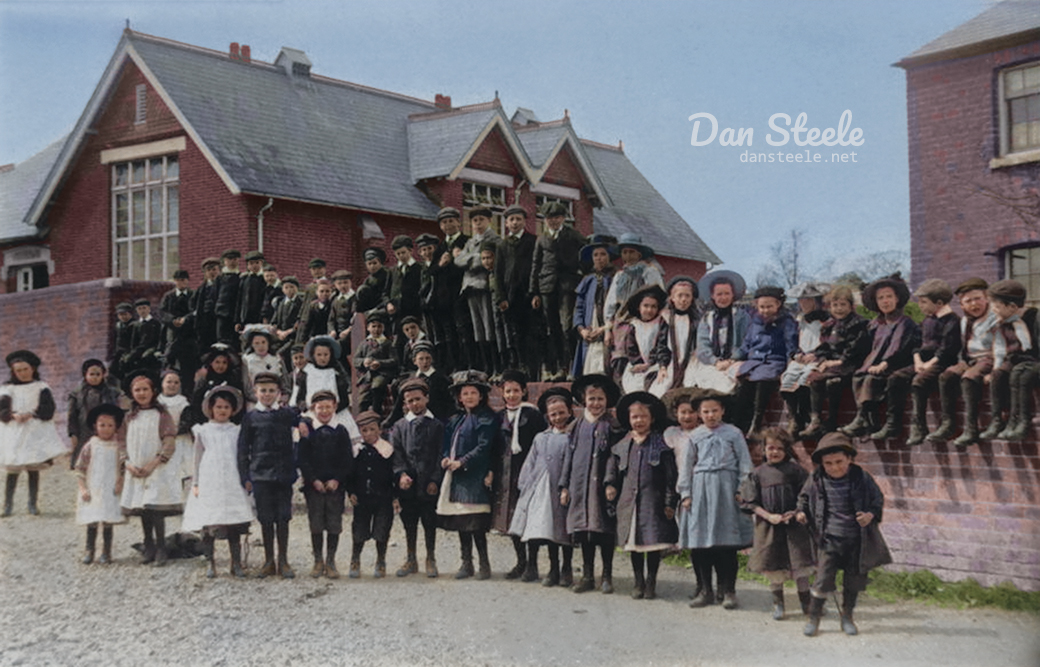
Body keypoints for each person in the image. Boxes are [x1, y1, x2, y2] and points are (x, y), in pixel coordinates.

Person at [796, 432, 891, 637]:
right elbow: (803, 498)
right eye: (828, 463)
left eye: (839, 461)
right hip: (829, 539)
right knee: (822, 580)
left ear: (849, 458)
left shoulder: (861, 477)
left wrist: (870, 515)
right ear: (822, 463)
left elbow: (877, 500)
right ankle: (814, 618)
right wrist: (801, 512)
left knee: (853, 581)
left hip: (857, 540)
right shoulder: (817, 478)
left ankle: (847, 617)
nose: (834, 467)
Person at [678, 393, 753, 609]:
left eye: (714, 411)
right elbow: (686, 467)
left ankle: (728, 590)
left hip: (726, 490)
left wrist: (742, 489)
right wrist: (686, 494)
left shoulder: (734, 433)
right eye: (705, 412)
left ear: (722, 411)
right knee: (700, 544)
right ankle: (705, 590)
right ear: (699, 414)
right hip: (700, 490)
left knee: (726, 543)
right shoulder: (695, 436)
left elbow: (745, 464)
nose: (710, 415)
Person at [605, 391, 679, 600]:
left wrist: (669, 502)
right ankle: (638, 581)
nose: (639, 421)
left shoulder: (660, 445)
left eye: (643, 416)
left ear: (652, 418)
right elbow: (612, 467)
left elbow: (670, 477)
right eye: (635, 417)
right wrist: (610, 484)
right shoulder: (622, 445)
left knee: (651, 543)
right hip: (629, 502)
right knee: (634, 545)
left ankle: (651, 581)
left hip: (652, 502)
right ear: (629, 420)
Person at [738, 427, 814, 620]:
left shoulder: (796, 471)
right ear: (763, 449)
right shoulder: (757, 474)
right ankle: (778, 604)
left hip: (794, 527)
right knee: (773, 566)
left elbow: (805, 495)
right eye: (771, 448)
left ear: (787, 450)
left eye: (780, 448)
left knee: (799, 566)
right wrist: (768, 515)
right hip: (768, 527)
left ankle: (807, 603)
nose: (775, 452)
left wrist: (798, 512)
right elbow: (751, 502)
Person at [559, 373, 624, 593]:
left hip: (601, 487)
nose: (596, 404)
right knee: (584, 531)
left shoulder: (611, 425)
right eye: (592, 399)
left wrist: (610, 483)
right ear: (583, 399)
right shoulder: (576, 425)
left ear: (607, 401)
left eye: (600, 399)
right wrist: (565, 485)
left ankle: (606, 575)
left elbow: (615, 456)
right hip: (579, 485)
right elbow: (569, 455)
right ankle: (587, 575)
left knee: (603, 529)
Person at [181, 386, 254, 578]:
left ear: (232, 410)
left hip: (231, 479)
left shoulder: (236, 431)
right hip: (210, 479)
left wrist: (246, 479)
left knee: (233, 523)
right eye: (219, 407)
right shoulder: (203, 431)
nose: (222, 410)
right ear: (211, 409)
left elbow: (243, 456)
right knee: (209, 521)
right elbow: (197, 458)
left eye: (226, 407)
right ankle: (210, 562)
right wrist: (196, 483)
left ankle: (235, 563)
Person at [509, 386, 576, 587]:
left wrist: (568, 487)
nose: (558, 417)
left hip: (560, 488)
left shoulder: (572, 437)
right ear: (547, 416)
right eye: (553, 414)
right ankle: (547, 567)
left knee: (561, 530)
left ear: (570, 412)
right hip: (538, 488)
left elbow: (574, 464)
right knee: (541, 528)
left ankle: (566, 569)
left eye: (562, 413)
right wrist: (524, 483)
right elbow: (530, 461)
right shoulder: (541, 437)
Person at [437, 370, 500, 580]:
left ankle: (484, 563)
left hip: (475, 475)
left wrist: (462, 462)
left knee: (476, 523)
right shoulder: (456, 420)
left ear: (481, 396)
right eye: (465, 393)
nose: (469, 397)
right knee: (461, 521)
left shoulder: (486, 419)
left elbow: (483, 447)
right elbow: (447, 444)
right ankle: (466, 563)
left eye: (473, 393)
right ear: (459, 397)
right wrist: (446, 458)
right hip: (457, 477)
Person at [841, 274, 921, 440]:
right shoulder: (875, 323)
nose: (885, 301)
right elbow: (863, 346)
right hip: (875, 364)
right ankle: (867, 421)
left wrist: (885, 363)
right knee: (858, 376)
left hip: (897, 363)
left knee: (871, 380)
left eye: (889, 297)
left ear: (897, 299)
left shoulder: (904, 322)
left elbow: (898, 346)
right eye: (881, 298)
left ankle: (863, 418)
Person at [237, 372, 301, 578]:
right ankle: (268, 561)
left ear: (279, 393)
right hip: (260, 475)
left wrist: (303, 425)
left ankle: (283, 560)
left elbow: (303, 425)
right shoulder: (250, 418)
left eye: (271, 391)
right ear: (255, 393)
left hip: (283, 474)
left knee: (283, 517)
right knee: (266, 518)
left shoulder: (286, 414)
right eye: (263, 391)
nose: (267, 394)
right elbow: (242, 449)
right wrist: (245, 477)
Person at [119, 371, 181, 565]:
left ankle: (161, 547)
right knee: (143, 508)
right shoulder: (129, 417)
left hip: (155, 468)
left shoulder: (161, 414)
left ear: (153, 391)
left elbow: (169, 441)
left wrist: (155, 463)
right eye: (137, 390)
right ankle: (149, 545)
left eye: (145, 389)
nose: (141, 393)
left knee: (155, 508)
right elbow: (121, 442)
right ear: (132, 393)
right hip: (135, 468)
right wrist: (127, 463)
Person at [493, 370, 547, 580]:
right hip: (506, 473)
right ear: (503, 393)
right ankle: (520, 561)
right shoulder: (499, 417)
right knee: (512, 519)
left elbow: (540, 444)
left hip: (527, 471)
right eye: (508, 391)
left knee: (528, 517)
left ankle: (532, 564)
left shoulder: (532, 415)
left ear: (524, 391)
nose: (512, 395)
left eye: (516, 390)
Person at [1, 350, 68, 516]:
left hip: (33, 430)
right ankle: (7, 505)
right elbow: (1, 409)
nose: (22, 373)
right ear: (13, 372)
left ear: (32, 368)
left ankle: (32, 503)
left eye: (25, 369)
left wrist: (32, 414)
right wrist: (12, 415)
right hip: (14, 430)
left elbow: (48, 409)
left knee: (33, 466)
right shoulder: (8, 389)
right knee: (13, 467)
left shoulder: (41, 387)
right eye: (18, 371)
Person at [725, 285, 798, 436]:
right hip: (755, 361)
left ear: (778, 304)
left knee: (762, 379)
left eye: (769, 306)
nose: (765, 310)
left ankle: (756, 423)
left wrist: (791, 362)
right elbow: (746, 344)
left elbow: (791, 343)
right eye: (762, 307)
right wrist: (734, 358)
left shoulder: (786, 321)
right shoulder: (755, 322)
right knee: (743, 380)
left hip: (774, 359)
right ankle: (738, 422)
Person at [390, 378, 445, 577]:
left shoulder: (437, 425)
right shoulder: (399, 426)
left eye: (418, 399)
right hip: (408, 486)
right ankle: (411, 558)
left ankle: (430, 558)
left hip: (429, 483)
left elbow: (441, 453)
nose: (415, 404)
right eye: (410, 401)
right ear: (405, 404)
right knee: (409, 522)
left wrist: (435, 480)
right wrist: (402, 474)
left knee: (429, 522)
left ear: (427, 399)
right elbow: (397, 454)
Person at [800, 285, 870, 439]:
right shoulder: (830, 325)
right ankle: (816, 420)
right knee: (814, 378)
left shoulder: (858, 325)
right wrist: (821, 358)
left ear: (851, 306)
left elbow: (855, 350)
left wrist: (835, 362)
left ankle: (832, 420)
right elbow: (824, 347)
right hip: (833, 365)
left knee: (833, 382)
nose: (839, 309)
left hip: (851, 365)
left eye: (843, 305)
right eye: (835, 305)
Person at [297, 390, 354, 579]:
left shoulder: (340, 430)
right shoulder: (308, 431)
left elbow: (347, 459)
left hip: (334, 487)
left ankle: (331, 561)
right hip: (314, 487)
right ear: (313, 408)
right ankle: (317, 561)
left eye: (328, 407)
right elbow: (302, 458)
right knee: (316, 523)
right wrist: (313, 480)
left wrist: (337, 479)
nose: (324, 411)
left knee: (333, 523)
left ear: (334, 408)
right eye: (320, 407)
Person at [935, 278, 998, 447]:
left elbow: (1000, 349)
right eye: (968, 301)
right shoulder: (965, 321)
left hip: (989, 358)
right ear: (962, 306)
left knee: (969, 378)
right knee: (946, 376)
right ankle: (948, 424)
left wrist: (994, 371)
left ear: (987, 299)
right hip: (970, 359)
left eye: (978, 299)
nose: (974, 304)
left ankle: (971, 428)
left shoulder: (995, 318)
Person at [899, 279, 961, 445]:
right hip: (924, 363)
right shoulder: (927, 320)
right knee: (896, 377)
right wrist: (918, 360)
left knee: (919, 381)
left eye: (924, 302)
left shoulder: (952, 321)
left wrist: (928, 364)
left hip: (941, 363)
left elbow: (947, 350)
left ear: (939, 303)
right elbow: (918, 345)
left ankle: (920, 425)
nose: (920, 305)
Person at [530, 202, 586, 381]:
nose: (552, 221)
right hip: (547, 287)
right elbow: (535, 265)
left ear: (563, 218)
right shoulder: (542, 238)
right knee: (552, 328)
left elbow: (586, 257)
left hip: (567, 286)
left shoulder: (573, 236)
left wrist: (580, 276)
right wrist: (534, 292)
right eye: (549, 218)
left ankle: (572, 366)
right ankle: (559, 368)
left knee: (567, 326)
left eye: (556, 217)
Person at [981, 279, 1038, 441]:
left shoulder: (1034, 318)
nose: (993, 309)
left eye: (997, 306)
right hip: (1017, 361)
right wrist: (995, 370)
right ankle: (998, 420)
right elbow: (999, 349)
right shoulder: (1002, 323)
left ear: (1013, 307)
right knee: (999, 375)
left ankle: (1021, 422)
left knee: (1019, 374)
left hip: (1034, 362)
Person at [75, 404, 127, 564]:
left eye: (110, 425)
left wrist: (120, 483)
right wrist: (83, 488)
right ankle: (89, 550)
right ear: (95, 426)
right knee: (92, 519)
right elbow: (80, 468)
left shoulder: (119, 446)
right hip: (93, 486)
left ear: (116, 427)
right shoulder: (91, 445)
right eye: (102, 425)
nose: (106, 429)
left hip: (110, 488)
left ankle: (106, 551)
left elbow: (124, 468)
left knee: (107, 520)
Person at [349, 410, 396, 578]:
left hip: (383, 497)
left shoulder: (387, 450)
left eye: (372, 430)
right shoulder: (357, 450)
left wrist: (395, 496)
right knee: (359, 529)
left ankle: (381, 560)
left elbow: (393, 474)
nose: (368, 434)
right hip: (362, 498)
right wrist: (351, 492)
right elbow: (350, 474)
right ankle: (355, 559)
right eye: (364, 430)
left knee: (382, 529)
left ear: (379, 430)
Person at [778, 282, 830, 435]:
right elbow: (793, 340)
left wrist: (817, 354)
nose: (804, 304)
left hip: (817, 358)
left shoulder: (826, 320)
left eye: (808, 300)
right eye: (801, 300)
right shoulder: (799, 320)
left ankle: (810, 417)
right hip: (801, 357)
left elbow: (829, 342)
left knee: (807, 378)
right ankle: (794, 418)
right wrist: (796, 353)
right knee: (788, 377)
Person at [455, 207, 500, 374]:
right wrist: (475, 257)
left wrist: (470, 259)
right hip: (469, 288)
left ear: (489, 221)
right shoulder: (471, 242)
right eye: (475, 221)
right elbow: (458, 261)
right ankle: (485, 367)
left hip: (485, 286)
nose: (478, 224)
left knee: (489, 327)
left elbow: (488, 261)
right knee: (478, 329)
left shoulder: (494, 239)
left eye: (481, 220)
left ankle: (495, 367)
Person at [689, 270, 750, 394]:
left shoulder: (742, 317)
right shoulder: (707, 318)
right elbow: (702, 346)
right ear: (713, 296)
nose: (723, 298)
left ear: (733, 295)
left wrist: (731, 360)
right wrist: (715, 362)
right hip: (711, 362)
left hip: (734, 361)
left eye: (727, 293)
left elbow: (747, 343)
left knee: (729, 384)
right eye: (719, 294)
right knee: (704, 382)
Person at [495, 205, 538, 377]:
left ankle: (532, 368)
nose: (515, 223)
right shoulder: (502, 245)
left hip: (527, 294)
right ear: (506, 223)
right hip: (510, 296)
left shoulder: (533, 241)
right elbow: (497, 273)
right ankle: (518, 366)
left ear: (524, 221)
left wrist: (535, 293)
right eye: (511, 219)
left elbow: (536, 268)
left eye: (518, 219)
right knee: (514, 334)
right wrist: (501, 297)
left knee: (531, 333)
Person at [428, 207, 471, 372]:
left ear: (458, 222)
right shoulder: (440, 246)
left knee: (465, 331)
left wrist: (458, 258)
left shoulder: (467, 241)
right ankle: (455, 366)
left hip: (461, 295)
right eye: (444, 222)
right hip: (444, 299)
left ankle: (469, 364)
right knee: (449, 334)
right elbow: (431, 270)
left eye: (451, 221)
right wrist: (440, 264)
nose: (448, 225)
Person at [572, 234, 618, 378]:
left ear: (609, 256)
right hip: (589, 332)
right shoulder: (588, 280)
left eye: (603, 254)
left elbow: (620, 308)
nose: (599, 258)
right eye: (596, 255)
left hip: (608, 332)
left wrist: (606, 328)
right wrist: (581, 329)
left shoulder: (616, 278)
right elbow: (578, 307)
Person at [613, 284, 671, 396]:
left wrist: (651, 363)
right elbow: (630, 347)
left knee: (656, 387)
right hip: (638, 364)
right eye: (646, 306)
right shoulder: (634, 325)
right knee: (633, 388)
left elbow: (661, 343)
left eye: (653, 307)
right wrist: (638, 362)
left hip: (657, 364)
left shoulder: (661, 323)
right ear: (638, 307)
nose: (649, 310)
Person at [603, 233, 664, 338]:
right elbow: (611, 302)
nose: (628, 256)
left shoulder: (649, 271)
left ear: (639, 254)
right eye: (625, 252)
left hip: (644, 320)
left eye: (631, 252)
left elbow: (659, 295)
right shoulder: (620, 275)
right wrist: (608, 328)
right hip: (622, 321)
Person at [67, 359, 124, 469]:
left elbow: (119, 412)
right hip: (85, 431)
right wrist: (73, 434)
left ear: (103, 374)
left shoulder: (113, 393)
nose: (94, 377)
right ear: (85, 374)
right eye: (91, 374)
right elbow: (72, 416)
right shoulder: (76, 394)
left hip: (107, 430)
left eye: (98, 374)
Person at [159, 269, 197, 396]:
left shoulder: (193, 295)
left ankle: (187, 394)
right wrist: (172, 320)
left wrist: (186, 319)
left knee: (188, 368)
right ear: (175, 282)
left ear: (187, 281)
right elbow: (162, 313)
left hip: (189, 335)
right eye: (178, 280)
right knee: (169, 362)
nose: (181, 283)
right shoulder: (168, 296)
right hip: (173, 335)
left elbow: (196, 311)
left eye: (183, 280)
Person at [156, 370, 193, 496]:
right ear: (162, 383)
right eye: (169, 382)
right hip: (161, 439)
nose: (172, 385)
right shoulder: (157, 402)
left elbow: (187, 422)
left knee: (181, 468)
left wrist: (175, 431)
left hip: (180, 439)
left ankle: (180, 496)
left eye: (176, 382)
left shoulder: (183, 402)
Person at [660, 276, 701, 391]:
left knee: (691, 385)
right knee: (661, 388)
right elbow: (661, 344)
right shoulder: (666, 318)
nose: (683, 300)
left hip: (692, 361)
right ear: (672, 298)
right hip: (671, 362)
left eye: (687, 296)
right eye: (680, 296)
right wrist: (662, 366)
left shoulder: (697, 320)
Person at [353, 311, 397, 414]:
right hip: (367, 375)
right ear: (368, 328)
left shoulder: (387, 343)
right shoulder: (364, 344)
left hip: (382, 373)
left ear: (383, 328)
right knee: (362, 398)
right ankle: (362, 417)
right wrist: (364, 362)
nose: (376, 329)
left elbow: (394, 360)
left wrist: (380, 363)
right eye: (373, 326)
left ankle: (377, 411)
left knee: (377, 386)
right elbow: (355, 360)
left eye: (379, 327)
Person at [388, 235, 423, 365]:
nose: (401, 256)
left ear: (411, 251)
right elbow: (386, 292)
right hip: (398, 313)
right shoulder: (393, 271)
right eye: (398, 254)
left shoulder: (419, 269)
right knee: (399, 342)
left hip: (414, 311)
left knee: (416, 339)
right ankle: (402, 368)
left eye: (403, 252)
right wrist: (389, 303)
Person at [190, 344, 243, 427]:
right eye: (217, 362)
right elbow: (196, 403)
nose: (220, 366)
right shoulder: (204, 381)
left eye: (224, 362)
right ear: (211, 363)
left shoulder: (233, 381)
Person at [240, 325, 287, 406]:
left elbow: (285, 382)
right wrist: (260, 399)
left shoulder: (276, 359)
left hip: (277, 400)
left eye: (263, 342)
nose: (261, 346)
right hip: (255, 401)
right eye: (257, 343)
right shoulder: (246, 360)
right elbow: (247, 387)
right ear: (252, 345)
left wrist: (282, 397)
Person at [190, 257, 222, 354]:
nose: (212, 273)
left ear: (219, 271)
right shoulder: (201, 288)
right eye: (208, 270)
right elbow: (193, 303)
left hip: (218, 321)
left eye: (214, 269)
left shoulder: (223, 285)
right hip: (204, 322)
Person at [125, 298, 163, 378]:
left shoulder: (156, 324)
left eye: (144, 308)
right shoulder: (135, 325)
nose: (142, 311)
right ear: (136, 311)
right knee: (128, 360)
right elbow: (133, 342)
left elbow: (160, 339)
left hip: (152, 349)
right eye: (139, 309)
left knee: (146, 358)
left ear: (149, 309)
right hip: (139, 349)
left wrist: (157, 350)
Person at [214, 249, 242, 347]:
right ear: (225, 261)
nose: (232, 262)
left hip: (235, 314)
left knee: (235, 342)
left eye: (234, 259)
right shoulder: (220, 278)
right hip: (221, 314)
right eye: (229, 259)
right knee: (222, 341)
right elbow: (215, 295)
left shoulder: (241, 277)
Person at [295, 278, 334, 345]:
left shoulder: (332, 305)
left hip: (328, 335)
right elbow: (308, 324)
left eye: (327, 291)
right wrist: (304, 340)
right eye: (321, 291)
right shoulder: (313, 306)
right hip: (314, 336)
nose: (324, 294)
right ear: (317, 292)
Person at [329, 269, 356, 366]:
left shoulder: (355, 298)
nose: (343, 286)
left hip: (352, 333)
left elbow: (356, 318)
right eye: (339, 283)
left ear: (350, 283)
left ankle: (348, 376)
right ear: (335, 285)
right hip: (338, 334)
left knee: (336, 348)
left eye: (345, 282)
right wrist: (332, 331)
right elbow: (331, 320)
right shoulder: (335, 300)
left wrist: (348, 330)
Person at [110, 301, 136, 383]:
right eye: (120, 315)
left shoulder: (135, 325)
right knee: (113, 370)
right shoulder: (118, 326)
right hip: (119, 352)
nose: (123, 317)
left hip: (130, 352)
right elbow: (114, 340)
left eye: (125, 314)